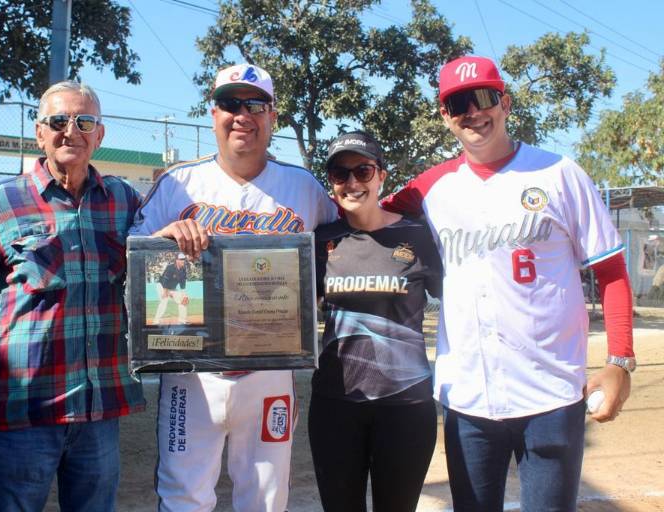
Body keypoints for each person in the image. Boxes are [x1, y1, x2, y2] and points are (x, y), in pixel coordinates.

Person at [382, 55, 635, 512]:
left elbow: (612, 272)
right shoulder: (430, 187)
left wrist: (620, 360)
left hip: (552, 392)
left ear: (505, 103)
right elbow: (359, 210)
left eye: (483, 97)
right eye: (458, 103)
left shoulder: (559, 174)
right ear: (445, 116)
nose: (473, 112)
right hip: (468, 397)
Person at [130, 63, 338, 512]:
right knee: (184, 496)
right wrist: (161, 241)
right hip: (192, 373)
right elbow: (132, 260)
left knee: (265, 499)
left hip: (270, 372)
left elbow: (350, 234)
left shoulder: (303, 187)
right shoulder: (178, 183)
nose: (242, 114)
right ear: (213, 114)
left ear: (273, 116)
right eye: (230, 104)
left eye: (255, 105)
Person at [0, 81, 145, 511]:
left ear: (99, 135)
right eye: (58, 121)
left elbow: (162, 261)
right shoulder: (0, 202)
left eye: (84, 121)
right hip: (25, 410)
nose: (71, 131)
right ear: (39, 132)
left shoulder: (125, 201)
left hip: (99, 409)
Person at [310, 131, 442, 512]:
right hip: (336, 404)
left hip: (406, 405)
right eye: (340, 173)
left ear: (381, 176)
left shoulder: (418, 235)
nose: (352, 182)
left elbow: (461, 300)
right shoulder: (321, 241)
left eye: (363, 171)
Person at [154, 252, 189, 324]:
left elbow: (183, 283)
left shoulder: (183, 269)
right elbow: (165, 280)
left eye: (184, 259)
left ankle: (182, 320)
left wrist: (184, 294)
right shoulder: (170, 267)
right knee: (164, 301)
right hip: (162, 286)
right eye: (181, 259)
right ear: (177, 260)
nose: (183, 261)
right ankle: (156, 320)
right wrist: (165, 292)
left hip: (172, 288)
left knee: (182, 300)